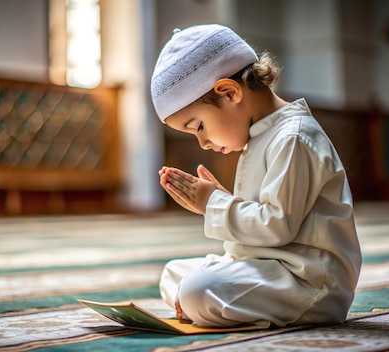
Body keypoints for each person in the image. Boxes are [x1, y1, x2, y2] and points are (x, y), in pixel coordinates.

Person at [150, 24, 362, 328]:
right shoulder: (261, 136)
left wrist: (213, 203)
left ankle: (200, 302)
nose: (203, 142)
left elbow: (277, 226)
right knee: (173, 273)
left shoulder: (293, 138)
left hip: (306, 282)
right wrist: (224, 198)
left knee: (198, 290)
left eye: (198, 126)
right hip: (267, 267)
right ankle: (203, 301)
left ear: (229, 92)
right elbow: (264, 218)